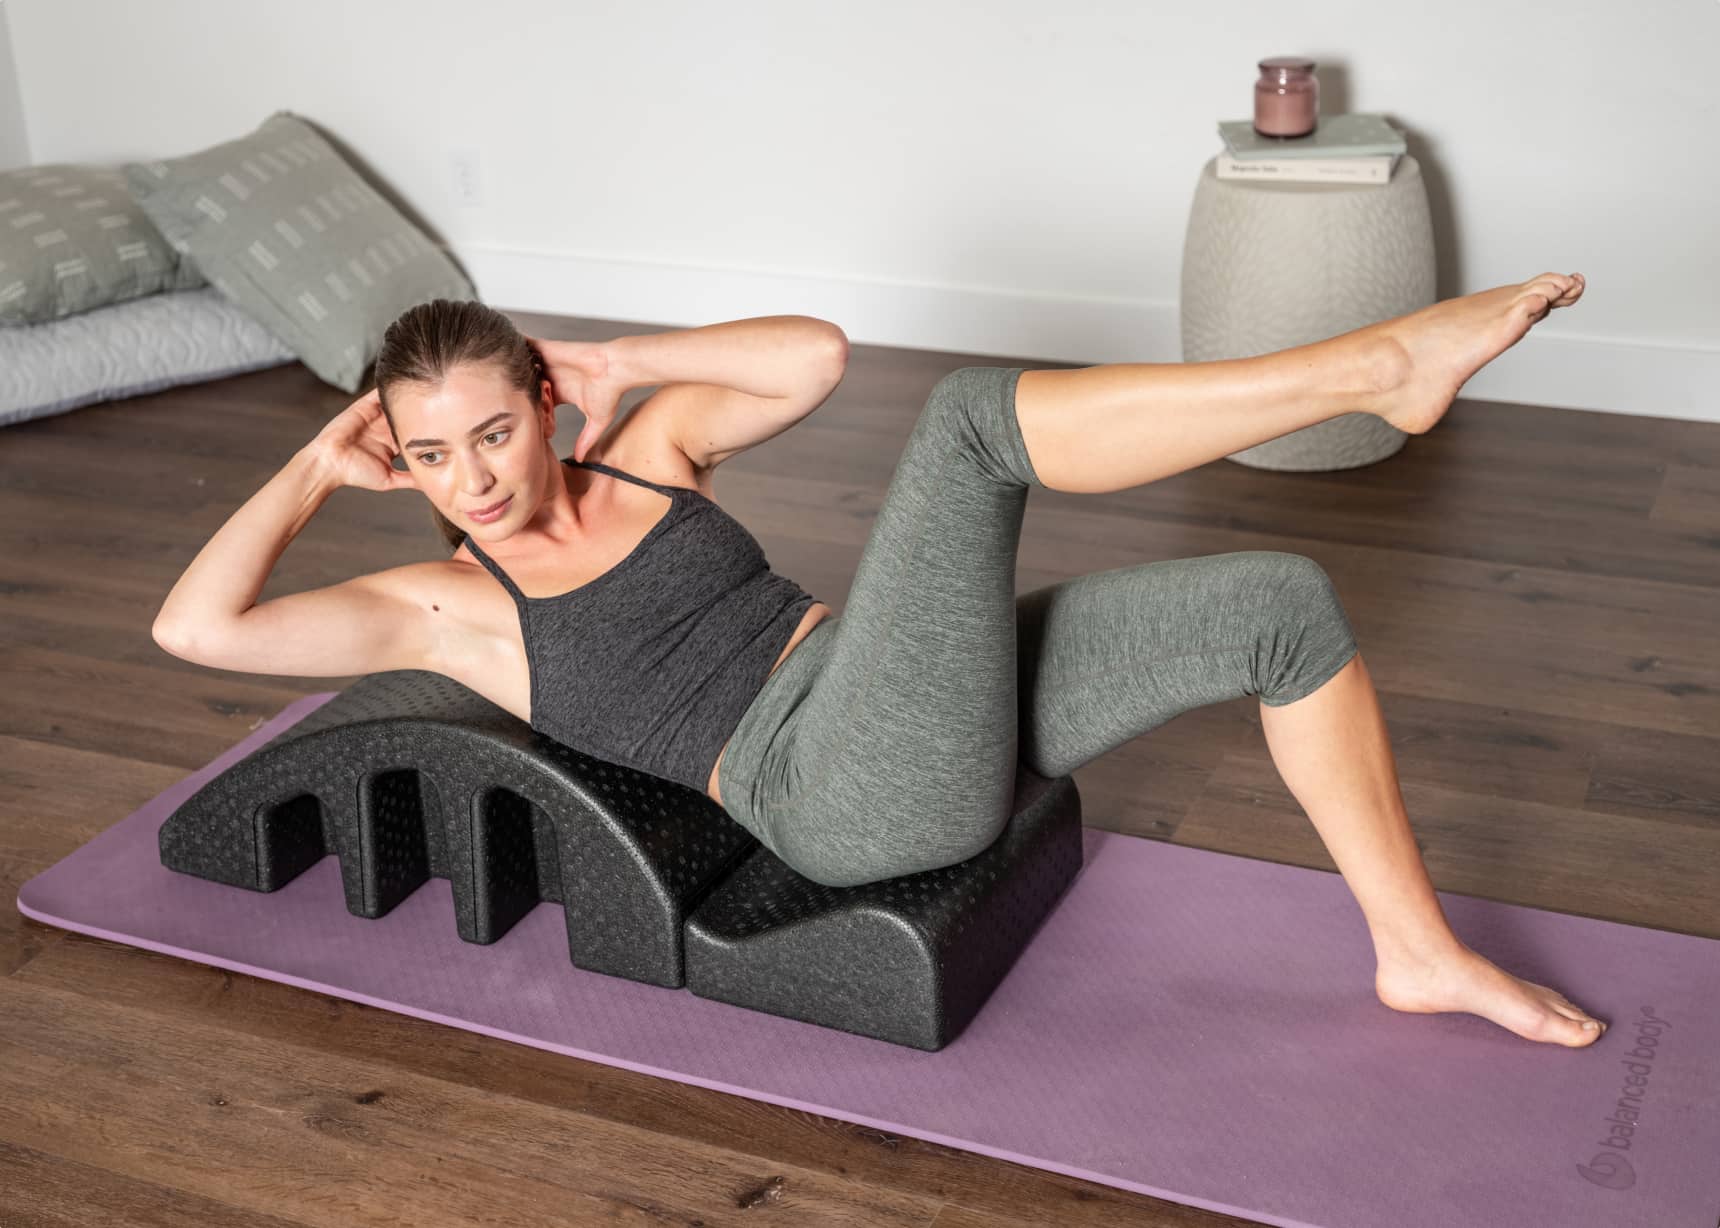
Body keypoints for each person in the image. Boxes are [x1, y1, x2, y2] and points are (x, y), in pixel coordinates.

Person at [153, 273, 1609, 1049]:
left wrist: (620, 356)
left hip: (885, 685)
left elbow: (818, 356)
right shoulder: (441, 605)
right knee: (972, 419)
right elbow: (196, 631)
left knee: (1280, 606)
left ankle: (1417, 958)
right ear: (395, 465)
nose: (470, 477)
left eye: (492, 431)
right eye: (427, 454)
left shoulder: (648, 453)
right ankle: (1368, 370)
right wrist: (307, 469)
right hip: (832, 794)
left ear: (544, 407)